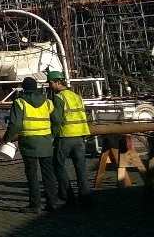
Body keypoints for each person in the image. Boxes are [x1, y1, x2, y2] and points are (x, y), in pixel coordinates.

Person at [2, 76, 58, 213]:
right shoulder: (48, 102)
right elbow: (56, 120)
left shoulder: (20, 102)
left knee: (31, 174)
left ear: (23, 87)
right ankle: (52, 202)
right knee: (48, 174)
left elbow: (15, 124)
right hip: (45, 141)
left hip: (28, 142)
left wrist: (6, 139)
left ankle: (35, 204)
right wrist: (53, 136)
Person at [48, 70, 91, 205]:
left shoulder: (59, 98)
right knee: (81, 168)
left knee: (58, 164)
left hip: (65, 136)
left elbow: (56, 119)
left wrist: (52, 136)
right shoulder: (76, 96)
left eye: (51, 83)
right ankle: (85, 196)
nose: (50, 86)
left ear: (58, 82)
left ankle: (67, 195)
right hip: (80, 136)